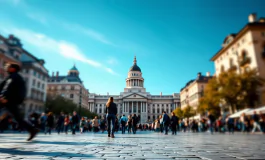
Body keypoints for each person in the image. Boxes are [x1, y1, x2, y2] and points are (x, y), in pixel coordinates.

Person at [0, 63, 38, 141]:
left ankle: (32, 130)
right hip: (5, 100)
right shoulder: (10, 77)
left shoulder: (16, 78)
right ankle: (32, 130)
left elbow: (14, 90)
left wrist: (7, 98)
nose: (6, 67)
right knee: (18, 118)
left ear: (13, 69)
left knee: (18, 118)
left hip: (9, 101)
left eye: (8, 66)